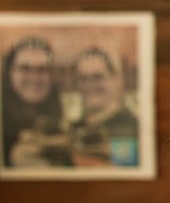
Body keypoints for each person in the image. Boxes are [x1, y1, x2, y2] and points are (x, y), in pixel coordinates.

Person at [3, 35, 71, 169]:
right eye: (24, 68)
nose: (34, 77)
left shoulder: (62, 120)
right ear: (9, 73)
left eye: (42, 69)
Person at [68, 46, 139, 167]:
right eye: (83, 79)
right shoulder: (72, 129)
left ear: (115, 79)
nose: (89, 85)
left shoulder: (131, 126)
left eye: (97, 77)